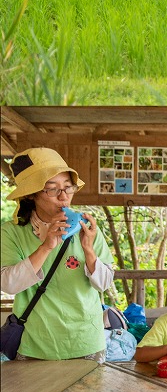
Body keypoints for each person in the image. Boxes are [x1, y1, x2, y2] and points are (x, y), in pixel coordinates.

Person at [1, 148, 115, 361]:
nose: (64, 197)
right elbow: (9, 284)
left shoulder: (86, 228)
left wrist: (88, 249)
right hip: (35, 343)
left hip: (86, 341)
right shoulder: (12, 232)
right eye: (52, 190)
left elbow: (105, 283)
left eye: (68, 187)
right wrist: (46, 246)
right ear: (31, 194)